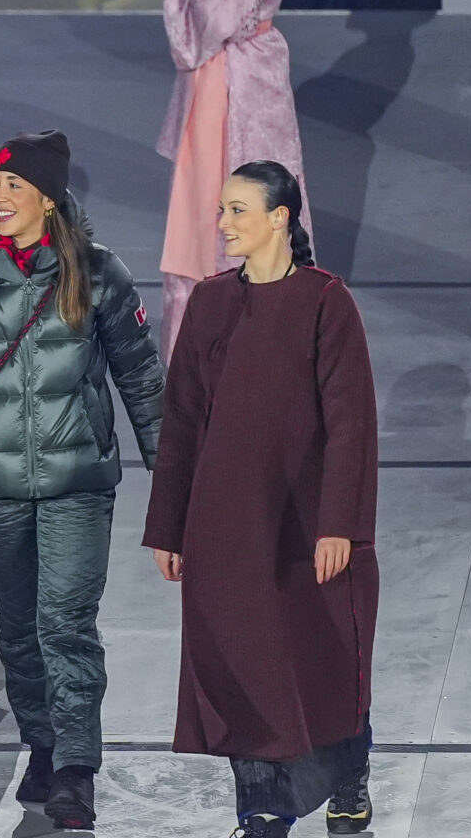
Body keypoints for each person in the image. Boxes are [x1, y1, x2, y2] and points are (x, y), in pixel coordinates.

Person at [0, 132, 163, 831]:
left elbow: (141, 375)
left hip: (79, 481)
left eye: (15, 185)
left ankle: (76, 765)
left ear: (48, 199)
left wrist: (171, 476)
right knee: (19, 629)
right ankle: (43, 745)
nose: (0, 197)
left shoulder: (97, 272)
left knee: (65, 624)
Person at [142, 161, 378, 838]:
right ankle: (263, 809)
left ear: (280, 216)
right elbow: (182, 419)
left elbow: (351, 425)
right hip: (225, 525)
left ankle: (348, 777)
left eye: (238, 210)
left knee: (319, 662)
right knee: (240, 665)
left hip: (305, 525)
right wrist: (170, 527)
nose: (223, 224)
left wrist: (340, 525)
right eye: (222, 210)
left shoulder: (325, 302)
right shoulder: (211, 303)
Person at [156, 0, 312, 361]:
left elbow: (208, 14)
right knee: (228, 207)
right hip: (240, 71)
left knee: (216, 214)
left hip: (231, 79)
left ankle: (216, 353)